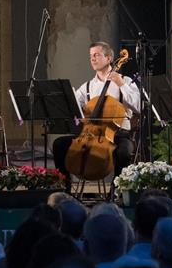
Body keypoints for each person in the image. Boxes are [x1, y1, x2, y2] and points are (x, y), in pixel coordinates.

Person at [52, 41, 139, 181]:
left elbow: (138, 106)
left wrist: (121, 85)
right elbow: (72, 106)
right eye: (91, 56)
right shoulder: (87, 86)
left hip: (119, 135)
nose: (92, 58)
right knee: (59, 144)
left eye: (97, 55)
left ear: (109, 58)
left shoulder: (125, 81)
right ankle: (64, 187)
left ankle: (117, 190)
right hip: (91, 135)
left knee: (124, 152)